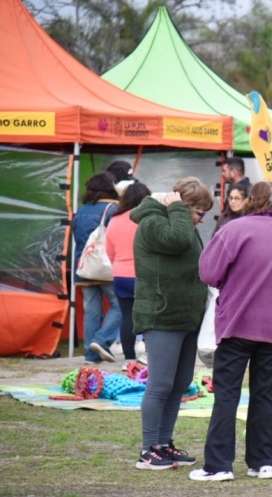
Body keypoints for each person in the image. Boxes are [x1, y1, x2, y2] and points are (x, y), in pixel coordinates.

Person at [191, 182, 272, 482]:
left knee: (226, 394)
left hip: (239, 323)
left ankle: (218, 465)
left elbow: (208, 272)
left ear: (252, 200)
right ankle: (264, 462)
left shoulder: (235, 229)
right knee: (267, 395)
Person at [131, 176, 213, 471]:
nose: (201, 220)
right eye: (199, 212)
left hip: (186, 316)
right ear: (182, 204)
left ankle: (163, 444)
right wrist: (179, 210)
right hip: (161, 315)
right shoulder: (152, 222)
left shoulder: (183, 222)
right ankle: (147, 450)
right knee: (160, 384)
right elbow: (177, 241)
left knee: (179, 384)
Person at [72, 172, 121, 364]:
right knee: (120, 306)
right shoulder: (113, 209)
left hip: (84, 268)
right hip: (107, 267)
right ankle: (101, 341)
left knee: (91, 311)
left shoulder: (81, 210)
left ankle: (90, 355)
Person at [105, 181, 151, 369]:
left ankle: (128, 360)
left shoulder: (115, 219)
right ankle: (149, 355)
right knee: (149, 317)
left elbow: (109, 250)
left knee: (127, 317)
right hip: (145, 274)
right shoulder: (147, 219)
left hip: (121, 275)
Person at [216, 156, 251, 228]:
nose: (222, 174)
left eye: (224, 170)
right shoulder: (232, 188)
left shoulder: (249, 192)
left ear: (233, 172)